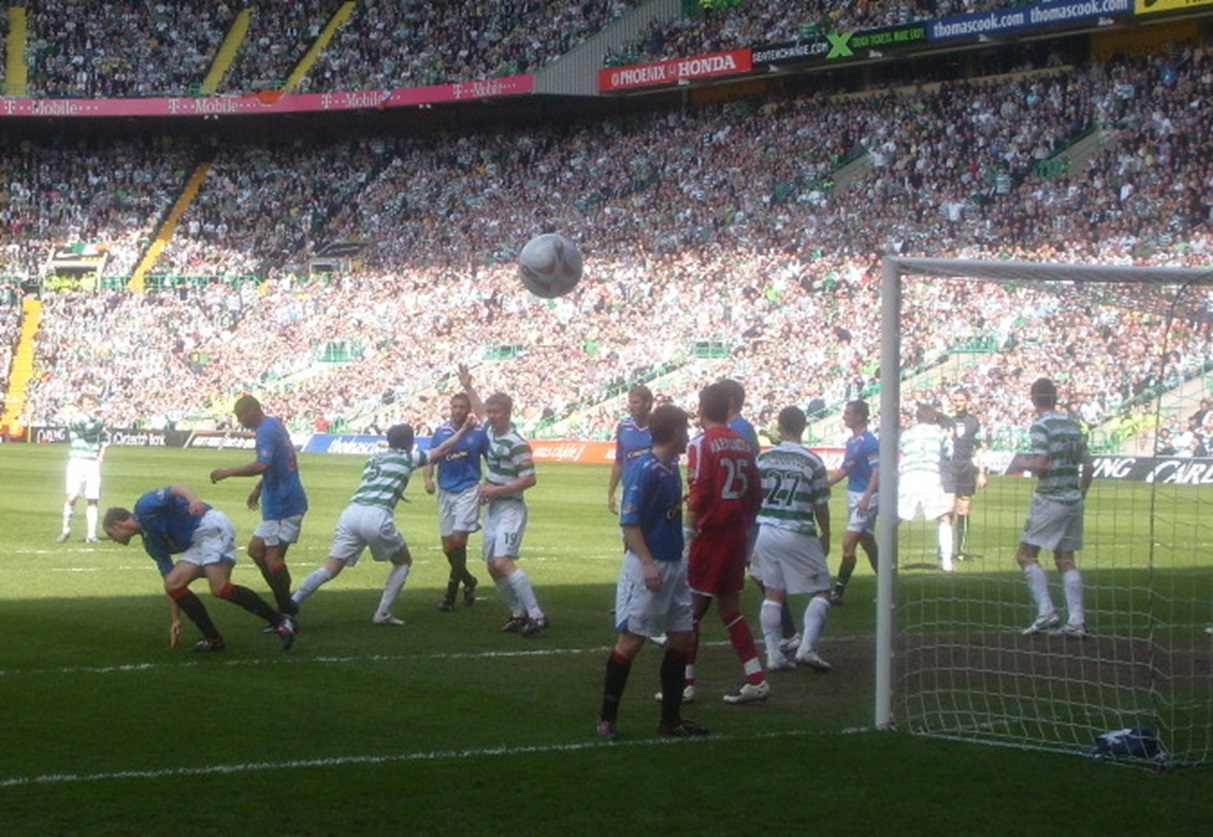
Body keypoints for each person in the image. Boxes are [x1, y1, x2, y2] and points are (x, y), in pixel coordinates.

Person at [293, 417, 475, 625]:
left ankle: (292, 604)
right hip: (376, 516)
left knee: (329, 568)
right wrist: (463, 431)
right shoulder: (408, 458)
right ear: (410, 442)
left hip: (352, 513)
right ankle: (383, 613)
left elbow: (383, 480)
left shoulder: (374, 458)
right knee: (403, 562)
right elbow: (442, 450)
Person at [597, 404, 709, 740]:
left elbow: (659, 515)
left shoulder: (670, 467)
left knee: (682, 638)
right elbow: (630, 522)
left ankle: (670, 721)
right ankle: (606, 720)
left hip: (674, 564)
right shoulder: (643, 469)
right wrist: (646, 563)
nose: (688, 435)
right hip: (650, 565)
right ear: (675, 432)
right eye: (685, 429)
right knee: (631, 641)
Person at [103, 483, 295, 651]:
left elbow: (176, 488)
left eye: (111, 535)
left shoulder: (144, 506)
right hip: (198, 541)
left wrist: (194, 501)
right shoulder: (152, 545)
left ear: (118, 524)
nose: (114, 540)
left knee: (219, 587)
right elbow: (168, 579)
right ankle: (213, 638)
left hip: (208, 524)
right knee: (173, 583)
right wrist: (176, 619)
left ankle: (280, 621)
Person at [681, 382, 767, 705]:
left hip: (711, 534)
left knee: (691, 609)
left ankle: (685, 683)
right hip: (737, 532)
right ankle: (755, 677)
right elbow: (756, 493)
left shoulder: (702, 443)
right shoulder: (742, 443)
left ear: (701, 409)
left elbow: (700, 489)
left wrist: (690, 532)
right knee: (730, 608)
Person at [459, 366, 547, 637]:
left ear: (507, 414)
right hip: (494, 507)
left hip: (510, 507)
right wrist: (468, 386)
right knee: (491, 564)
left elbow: (530, 479)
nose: (491, 416)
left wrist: (497, 490)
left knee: (502, 562)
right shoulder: (491, 430)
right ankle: (517, 612)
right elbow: (479, 409)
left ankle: (536, 614)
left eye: (497, 413)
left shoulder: (516, 442)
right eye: (491, 412)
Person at [717, 377, 800, 651]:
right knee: (753, 571)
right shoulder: (740, 428)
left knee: (755, 571)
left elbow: (744, 473)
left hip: (739, 514)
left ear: (728, 401)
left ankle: (786, 630)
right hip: (741, 512)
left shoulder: (738, 429)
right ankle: (786, 629)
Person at [209, 394, 307, 623]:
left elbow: (262, 464)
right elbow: (278, 463)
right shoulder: (275, 424)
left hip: (285, 503)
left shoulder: (265, 431)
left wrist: (228, 472)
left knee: (273, 558)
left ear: (253, 411)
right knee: (256, 551)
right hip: (277, 501)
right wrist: (259, 487)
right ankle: (285, 605)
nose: (240, 421)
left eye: (241, 416)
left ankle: (286, 611)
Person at [753, 406, 834, 672]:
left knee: (773, 592)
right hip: (797, 530)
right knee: (822, 589)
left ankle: (773, 654)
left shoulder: (764, 459)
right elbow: (820, 504)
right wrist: (826, 533)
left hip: (766, 530)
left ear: (780, 425)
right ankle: (807, 648)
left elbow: (753, 496)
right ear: (804, 426)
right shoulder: (812, 461)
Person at [1017, 378, 1093, 637]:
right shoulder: (1073, 425)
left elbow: (1040, 464)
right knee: (1065, 558)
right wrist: (1081, 492)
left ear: (1032, 397)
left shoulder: (1041, 426)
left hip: (1050, 498)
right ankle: (1076, 621)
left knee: (1025, 555)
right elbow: (1089, 465)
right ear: (1056, 396)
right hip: (1074, 499)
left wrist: (1023, 463)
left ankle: (1046, 612)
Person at [424, 387, 489, 612]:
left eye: (461, 407)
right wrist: (428, 479)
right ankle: (469, 581)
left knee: (459, 541)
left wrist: (489, 485)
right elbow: (431, 457)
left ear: (469, 410)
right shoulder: (441, 431)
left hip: (468, 490)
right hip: (445, 491)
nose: (457, 411)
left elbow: (491, 460)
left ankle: (450, 596)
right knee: (447, 547)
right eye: (454, 407)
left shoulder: (479, 433)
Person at [828, 399, 880, 604]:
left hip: (866, 496)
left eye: (848, 413)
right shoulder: (852, 441)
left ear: (859, 416)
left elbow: (878, 471)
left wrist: (867, 497)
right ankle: (888, 586)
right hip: (854, 494)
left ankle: (838, 592)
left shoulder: (870, 442)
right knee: (868, 542)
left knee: (848, 541)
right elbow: (846, 468)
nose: (844, 416)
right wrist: (827, 482)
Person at [898, 402, 954, 572]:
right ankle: (947, 562)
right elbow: (948, 454)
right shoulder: (939, 432)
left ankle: (886, 557)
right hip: (930, 476)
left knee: (895, 519)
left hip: (909, 477)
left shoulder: (907, 434)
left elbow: (902, 448)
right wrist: (949, 438)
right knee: (944, 518)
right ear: (934, 418)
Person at [943, 388, 988, 561]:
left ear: (967, 401)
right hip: (950, 468)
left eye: (961, 400)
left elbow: (979, 448)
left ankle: (959, 550)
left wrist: (982, 472)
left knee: (964, 508)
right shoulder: (947, 421)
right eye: (955, 400)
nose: (958, 403)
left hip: (967, 468)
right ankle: (946, 548)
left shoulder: (974, 422)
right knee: (949, 507)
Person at [57, 394, 109, 543]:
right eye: (88, 403)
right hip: (77, 461)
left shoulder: (96, 420)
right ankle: (66, 530)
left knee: (93, 498)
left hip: (92, 462)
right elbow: (89, 429)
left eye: (93, 403)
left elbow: (105, 437)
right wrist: (100, 420)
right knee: (73, 496)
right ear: (81, 405)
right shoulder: (75, 418)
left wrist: (101, 454)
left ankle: (91, 535)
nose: (91, 406)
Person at [606, 384, 654, 515]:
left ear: (648, 403)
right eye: (630, 402)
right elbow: (619, 461)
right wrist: (611, 492)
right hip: (629, 490)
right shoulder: (624, 426)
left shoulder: (659, 426)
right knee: (629, 532)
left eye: (636, 402)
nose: (631, 406)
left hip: (654, 491)